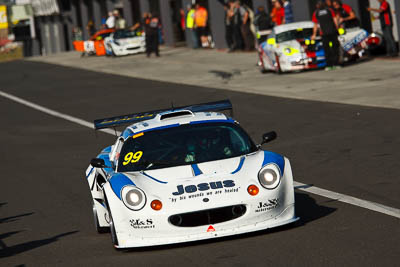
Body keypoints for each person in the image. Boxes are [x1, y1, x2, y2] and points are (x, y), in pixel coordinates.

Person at [311, 0, 341, 70]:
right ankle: (335, 64)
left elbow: (315, 25)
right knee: (334, 48)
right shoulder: (329, 10)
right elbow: (335, 20)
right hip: (331, 32)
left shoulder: (316, 13)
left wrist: (314, 34)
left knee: (327, 50)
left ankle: (329, 65)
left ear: (317, 6)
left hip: (324, 34)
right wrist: (337, 28)